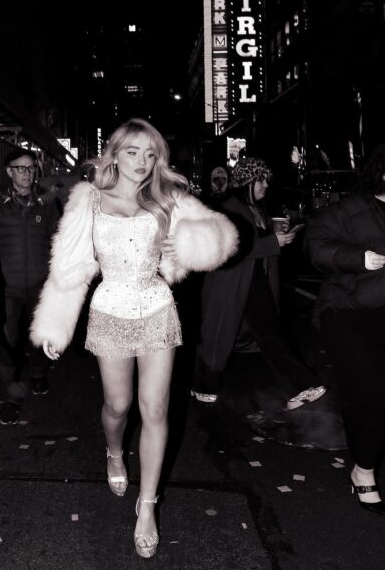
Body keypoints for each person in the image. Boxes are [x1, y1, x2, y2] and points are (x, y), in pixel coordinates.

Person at [30, 118, 238, 558]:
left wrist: (187, 246)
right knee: (118, 406)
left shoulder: (168, 198)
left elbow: (220, 237)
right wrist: (55, 324)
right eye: (132, 152)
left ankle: (147, 506)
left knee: (155, 408)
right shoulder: (88, 200)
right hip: (110, 310)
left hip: (156, 308)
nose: (142, 162)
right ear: (115, 154)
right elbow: (69, 266)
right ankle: (113, 451)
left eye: (150, 154)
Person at [192, 156, 326, 410]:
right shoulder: (230, 208)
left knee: (266, 334)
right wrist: (274, 242)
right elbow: (234, 248)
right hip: (232, 284)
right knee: (220, 335)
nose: (266, 185)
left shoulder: (256, 209)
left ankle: (303, 385)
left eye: (266, 180)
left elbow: (257, 242)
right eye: (260, 180)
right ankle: (204, 386)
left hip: (253, 282)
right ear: (247, 182)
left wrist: (279, 236)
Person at [305, 143, 385, 515]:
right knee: (370, 394)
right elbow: (314, 245)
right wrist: (358, 258)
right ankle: (363, 470)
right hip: (347, 314)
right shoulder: (352, 209)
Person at [0, 148, 61, 425]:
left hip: (41, 285)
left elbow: (58, 240)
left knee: (41, 335)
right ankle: (11, 397)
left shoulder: (47, 202)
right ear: (9, 171)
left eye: (31, 168)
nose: (27, 173)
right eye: (21, 168)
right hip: (6, 288)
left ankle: (38, 373)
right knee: (7, 343)